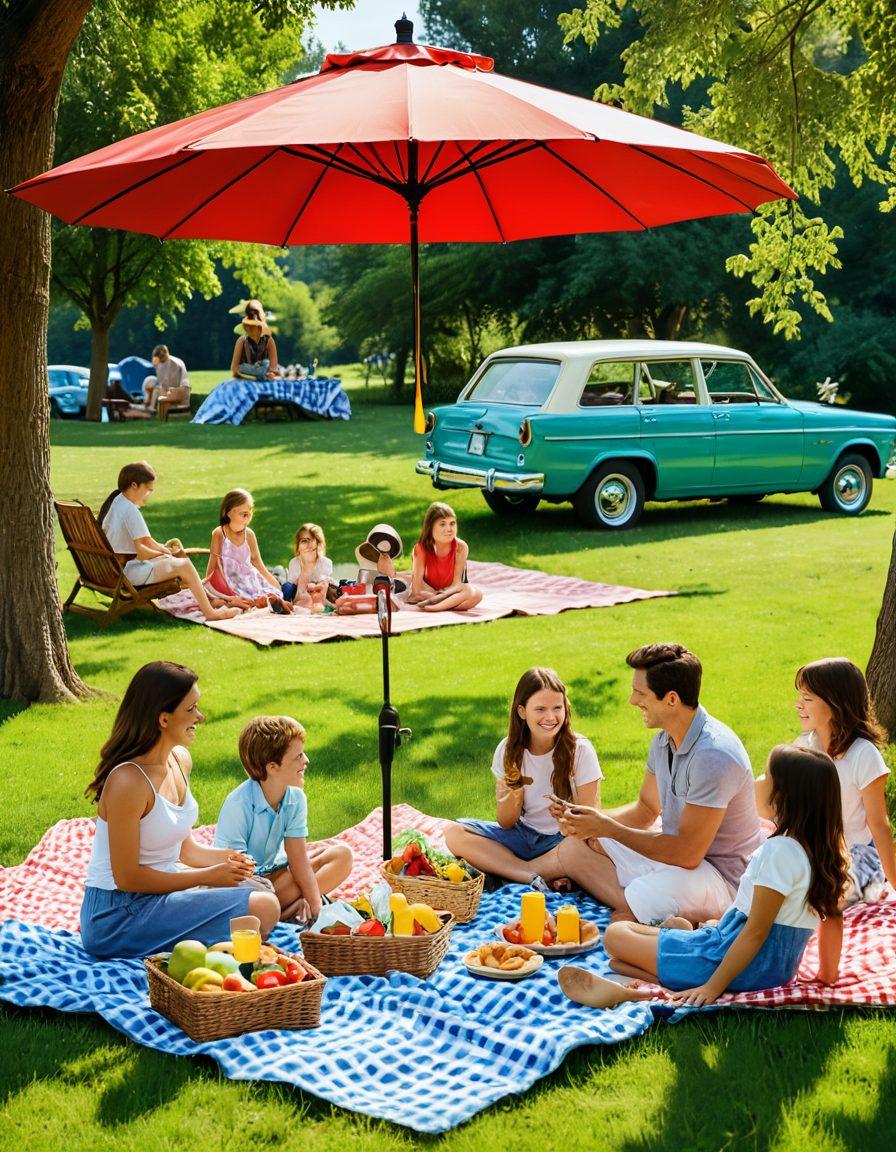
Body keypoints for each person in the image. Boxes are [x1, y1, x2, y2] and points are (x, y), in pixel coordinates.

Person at [559, 743, 849, 1008]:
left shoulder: (780, 852)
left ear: (782, 798)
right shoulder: (821, 853)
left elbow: (755, 931)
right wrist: (826, 977)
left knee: (615, 938)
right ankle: (676, 945)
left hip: (729, 963)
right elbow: (834, 919)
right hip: (774, 970)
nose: (757, 781)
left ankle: (655, 988)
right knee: (635, 948)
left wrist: (712, 987)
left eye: (766, 777)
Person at [79, 662, 280, 960]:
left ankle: (205, 943)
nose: (201, 716)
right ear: (163, 718)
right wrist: (210, 876)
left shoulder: (179, 759)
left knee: (259, 887)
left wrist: (227, 860)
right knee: (264, 907)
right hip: (118, 915)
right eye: (191, 709)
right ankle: (208, 946)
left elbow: (184, 850)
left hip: (159, 894)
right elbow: (127, 878)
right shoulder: (128, 781)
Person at [554, 643, 760, 926]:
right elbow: (646, 810)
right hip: (673, 861)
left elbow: (687, 853)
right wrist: (587, 822)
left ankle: (639, 911)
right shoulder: (663, 740)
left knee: (638, 897)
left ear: (671, 700)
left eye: (640, 693)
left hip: (720, 880)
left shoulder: (714, 755)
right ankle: (642, 912)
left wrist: (608, 829)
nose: (632, 701)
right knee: (573, 848)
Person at [444, 668, 601, 887]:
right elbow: (506, 822)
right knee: (454, 833)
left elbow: (593, 821)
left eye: (558, 708)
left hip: (564, 841)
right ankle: (530, 874)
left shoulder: (580, 749)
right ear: (522, 711)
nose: (550, 717)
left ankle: (521, 869)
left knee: (584, 848)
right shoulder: (508, 749)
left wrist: (568, 817)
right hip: (523, 836)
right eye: (540, 709)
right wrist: (513, 791)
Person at [756, 658, 895, 902]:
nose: (798, 705)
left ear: (836, 704)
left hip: (857, 858)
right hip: (814, 852)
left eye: (807, 699)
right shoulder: (804, 747)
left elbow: (879, 825)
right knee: (761, 871)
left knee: (821, 897)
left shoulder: (863, 754)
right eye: (800, 697)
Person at [213, 716, 353, 923]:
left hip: (278, 875)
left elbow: (298, 857)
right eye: (298, 756)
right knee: (264, 898)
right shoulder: (238, 804)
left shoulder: (295, 798)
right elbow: (236, 876)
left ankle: (296, 907)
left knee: (342, 855)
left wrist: (316, 908)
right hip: (246, 886)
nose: (306, 760)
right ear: (272, 767)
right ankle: (286, 911)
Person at [99, 462, 239, 622]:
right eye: (148, 489)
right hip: (128, 575)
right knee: (183, 565)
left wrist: (163, 550)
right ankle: (211, 613)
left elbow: (146, 540)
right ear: (134, 485)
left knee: (175, 558)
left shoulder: (118, 502)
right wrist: (164, 553)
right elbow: (141, 552)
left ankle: (210, 600)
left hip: (116, 570)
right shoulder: (130, 510)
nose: (149, 494)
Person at [205, 488, 288, 611]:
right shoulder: (219, 533)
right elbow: (213, 563)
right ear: (229, 513)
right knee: (242, 600)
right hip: (229, 581)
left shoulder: (249, 535)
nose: (248, 517)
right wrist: (207, 586)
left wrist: (276, 587)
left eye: (250, 513)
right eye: (244, 514)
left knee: (272, 592)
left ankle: (268, 600)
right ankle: (258, 602)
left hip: (249, 580)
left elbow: (258, 564)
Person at [407, 501, 482, 612]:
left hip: (449, 592)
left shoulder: (461, 547)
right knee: (467, 592)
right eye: (442, 524)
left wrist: (442, 596)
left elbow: (457, 584)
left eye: (452, 523)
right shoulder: (420, 549)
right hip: (428, 592)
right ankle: (444, 605)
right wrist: (434, 596)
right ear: (430, 527)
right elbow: (416, 590)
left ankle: (436, 606)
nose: (449, 529)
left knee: (476, 594)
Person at [282, 522, 333, 609]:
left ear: (318, 543)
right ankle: (279, 575)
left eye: (312, 540)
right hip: (298, 594)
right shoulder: (294, 562)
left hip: (317, 596)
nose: (308, 544)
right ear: (298, 546)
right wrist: (305, 568)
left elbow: (322, 588)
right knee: (287, 587)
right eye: (304, 541)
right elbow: (297, 593)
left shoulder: (325, 562)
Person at [230, 300, 278, 381]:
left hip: (262, 372)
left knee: (266, 363)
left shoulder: (269, 341)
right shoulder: (242, 341)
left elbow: (273, 367)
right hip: (247, 375)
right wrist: (251, 378)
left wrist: (270, 373)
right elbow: (234, 368)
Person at [142, 345, 189, 412]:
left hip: (177, 389)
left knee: (155, 390)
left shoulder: (174, 364)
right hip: (167, 387)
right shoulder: (161, 363)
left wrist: (161, 388)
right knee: (149, 381)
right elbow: (161, 379)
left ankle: (150, 407)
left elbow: (174, 382)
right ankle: (147, 405)